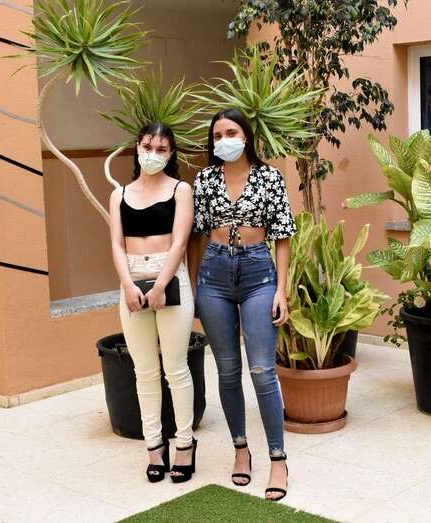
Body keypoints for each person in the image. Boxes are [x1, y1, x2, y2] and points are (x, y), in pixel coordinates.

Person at [192, 108, 296, 501]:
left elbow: (282, 236)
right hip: (214, 275)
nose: (224, 141)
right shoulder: (205, 180)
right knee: (227, 370)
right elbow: (196, 236)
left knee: (263, 371)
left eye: (231, 132)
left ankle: (278, 459)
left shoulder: (270, 177)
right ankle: (240, 449)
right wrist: (195, 285)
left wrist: (281, 290)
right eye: (217, 135)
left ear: (247, 136)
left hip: (258, 275)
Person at [109, 122, 197, 483]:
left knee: (175, 368)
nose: (153, 154)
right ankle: (153, 446)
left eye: (161, 149)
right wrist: (127, 284)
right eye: (148, 146)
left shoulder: (180, 190)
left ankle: (185, 444)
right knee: (144, 370)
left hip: (170, 278)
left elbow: (180, 242)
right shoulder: (119, 194)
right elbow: (116, 244)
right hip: (131, 281)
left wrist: (161, 285)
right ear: (137, 147)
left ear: (171, 153)